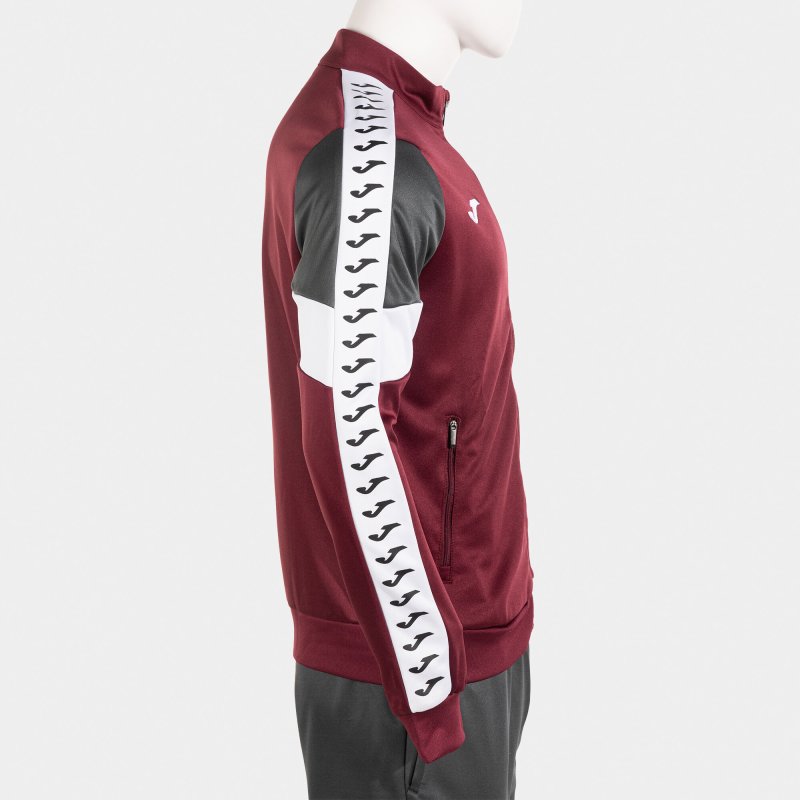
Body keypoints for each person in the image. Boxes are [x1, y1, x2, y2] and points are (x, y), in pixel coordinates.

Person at [260, 2, 533, 797]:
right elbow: (348, 431)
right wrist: (432, 691)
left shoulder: (399, 131)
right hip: (415, 683)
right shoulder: (371, 154)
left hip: (456, 650)